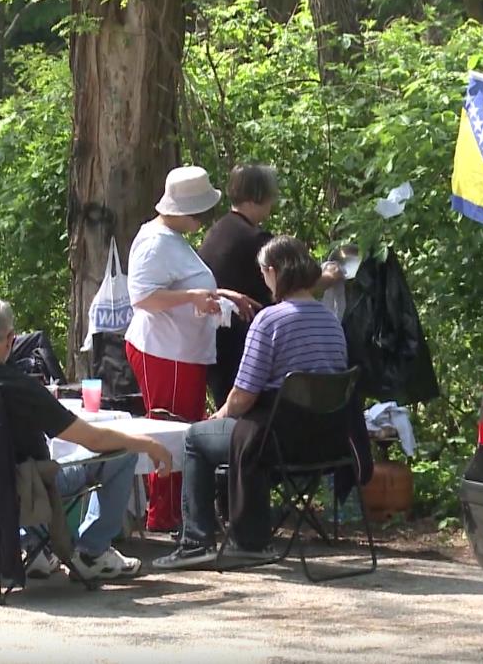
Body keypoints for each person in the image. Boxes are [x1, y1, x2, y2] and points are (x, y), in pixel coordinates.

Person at [0, 298, 174, 580]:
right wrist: (146, 443)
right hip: (21, 489)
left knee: (21, 467)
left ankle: (34, 547)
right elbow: (93, 440)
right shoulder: (18, 387)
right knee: (122, 454)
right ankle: (92, 552)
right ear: (11, 338)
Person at [153, 236, 349, 569]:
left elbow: (243, 395)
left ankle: (195, 541)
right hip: (327, 442)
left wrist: (220, 415)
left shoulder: (270, 321)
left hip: (277, 441)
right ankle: (246, 533)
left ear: (273, 272)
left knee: (195, 439)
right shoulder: (330, 320)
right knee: (246, 432)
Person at [124, 165, 258, 532]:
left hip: (184, 350)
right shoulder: (155, 241)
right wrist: (193, 296)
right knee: (169, 429)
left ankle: (181, 510)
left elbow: (182, 284)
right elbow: (143, 298)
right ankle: (163, 513)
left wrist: (220, 294)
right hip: (164, 351)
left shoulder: (172, 237)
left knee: (186, 430)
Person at [197, 164, 278, 404]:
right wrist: (328, 278)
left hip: (213, 343)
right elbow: (294, 284)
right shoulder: (255, 240)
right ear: (258, 196)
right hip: (242, 349)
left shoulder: (217, 230)